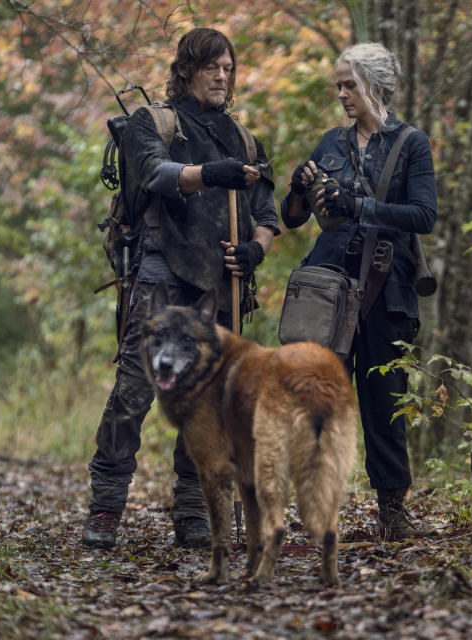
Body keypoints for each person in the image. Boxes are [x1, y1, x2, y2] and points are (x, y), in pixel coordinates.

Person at [82, 27, 279, 549]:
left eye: (228, 68)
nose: (222, 76)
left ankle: (193, 510)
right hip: (160, 275)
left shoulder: (243, 139)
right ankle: (105, 506)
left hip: (221, 287)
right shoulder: (154, 122)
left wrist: (257, 247)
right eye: (213, 66)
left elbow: (267, 212)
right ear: (188, 68)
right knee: (133, 391)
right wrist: (212, 174)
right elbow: (153, 174)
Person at [280, 42, 437, 540]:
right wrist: (297, 188)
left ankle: (392, 510)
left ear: (374, 83)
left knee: (384, 403)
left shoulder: (411, 144)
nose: (342, 93)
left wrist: (361, 207)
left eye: (349, 84)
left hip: (386, 291)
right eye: (338, 85)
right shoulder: (330, 142)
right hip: (328, 290)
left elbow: (423, 216)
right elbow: (293, 219)